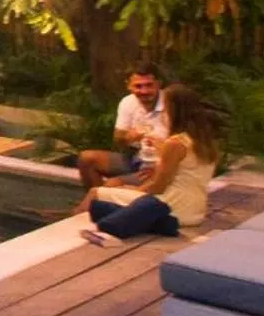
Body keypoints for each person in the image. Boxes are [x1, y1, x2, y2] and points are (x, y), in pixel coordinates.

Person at [81, 83, 222, 244]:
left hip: (171, 208)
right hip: (196, 210)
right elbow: (186, 170)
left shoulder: (176, 143)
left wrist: (135, 191)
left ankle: (69, 223)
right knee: (113, 197)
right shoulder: (205, 141)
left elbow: (158, 187)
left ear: (172, 111)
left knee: (95, 193)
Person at [77, 63, 167, 194]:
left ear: (159, 84)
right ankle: (96, 206)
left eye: (149, 85)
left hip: (158, 165)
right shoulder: (128, 102)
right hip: (134, 157)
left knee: (110, 186)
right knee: (86, 159)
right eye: (138, 86)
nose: (144, 91)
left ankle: (98, 205)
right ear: (128, 85)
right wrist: (127, 138)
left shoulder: (170, 105)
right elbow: (118, 139)